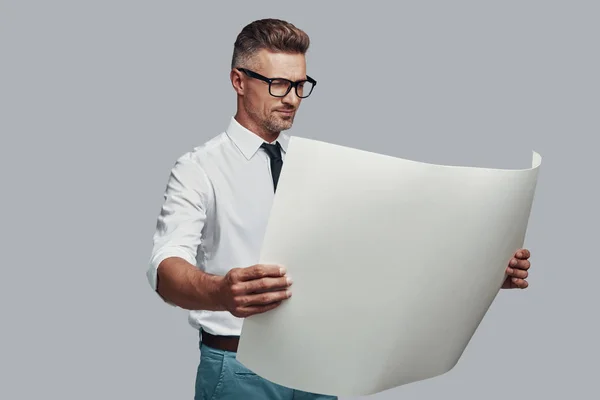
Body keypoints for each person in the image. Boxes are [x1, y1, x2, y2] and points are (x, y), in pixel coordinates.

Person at [146, 18, 533, 400]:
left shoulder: (318, 164)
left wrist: (483, 273)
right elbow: (165, 266)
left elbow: (382, 255)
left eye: (300, 85)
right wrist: (220, 292)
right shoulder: (198, 168)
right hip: (240, 369)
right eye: (279, 84)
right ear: (238, 81)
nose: (293, 98)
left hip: (321, 366)